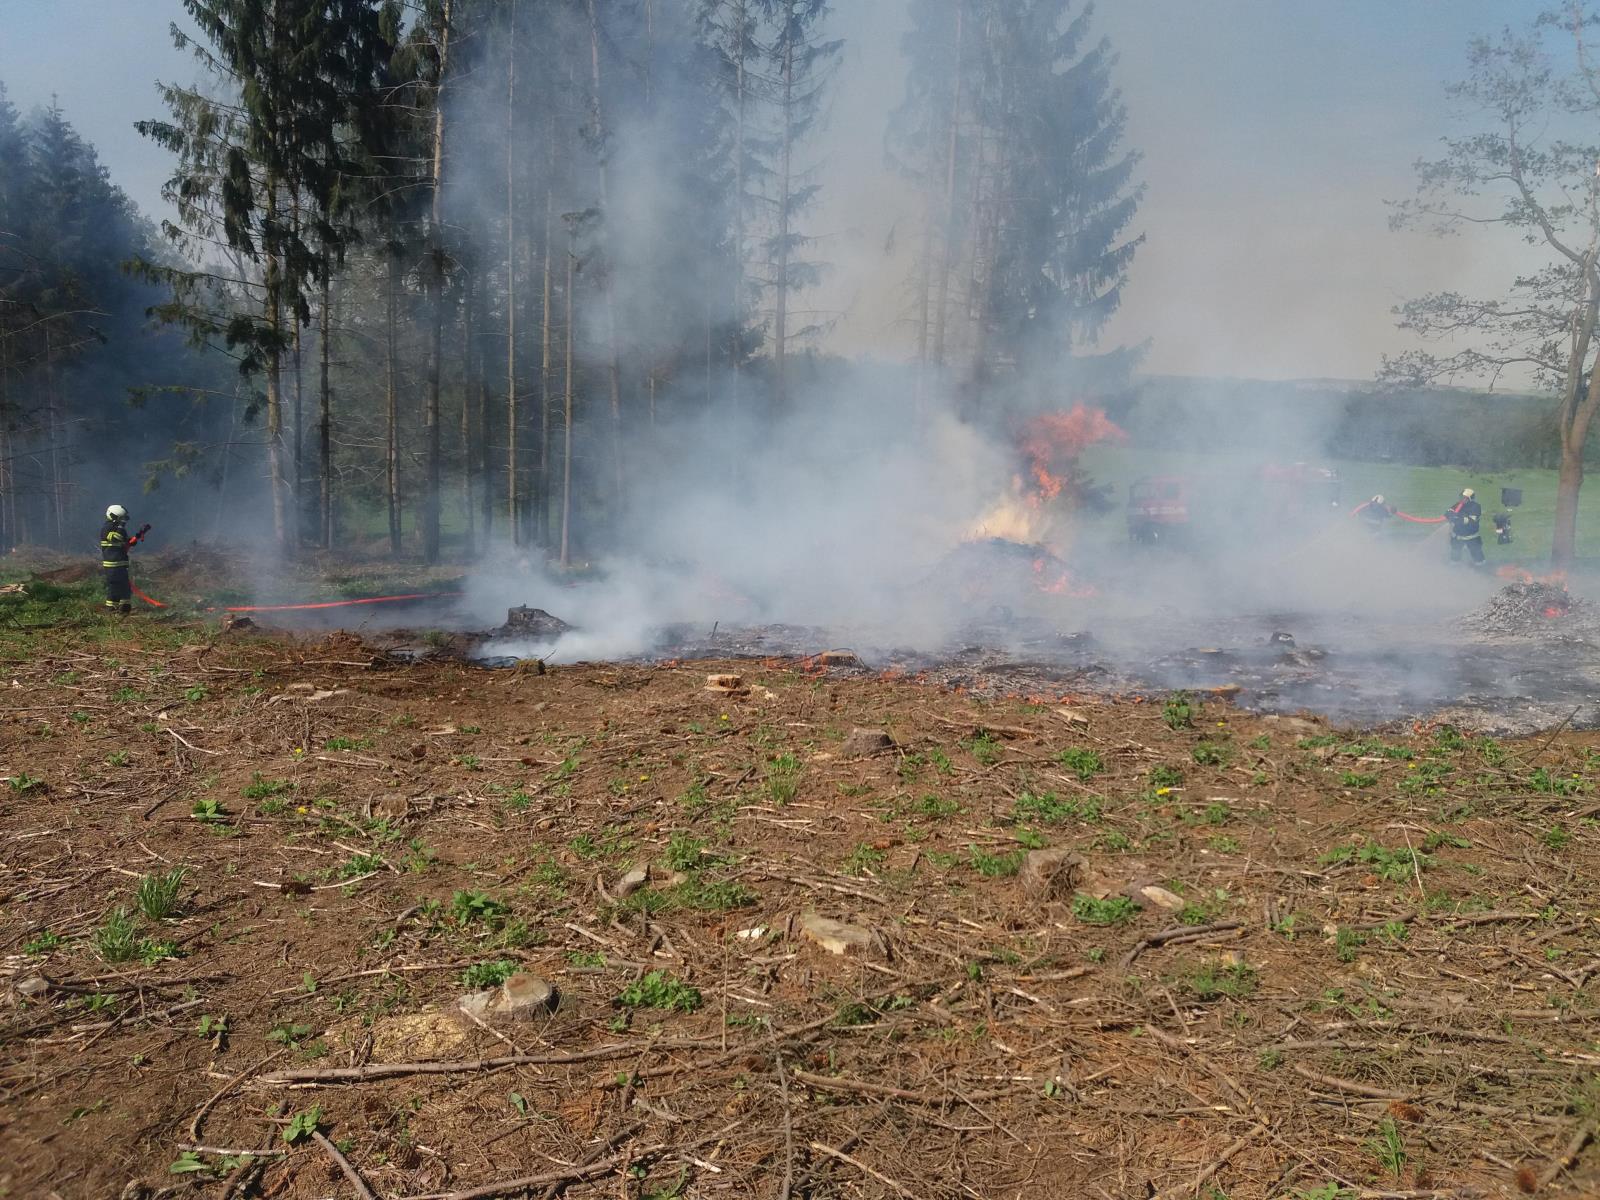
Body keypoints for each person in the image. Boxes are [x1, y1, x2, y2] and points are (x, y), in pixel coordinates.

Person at [99, 504, 141, 614]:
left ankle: (125, 608)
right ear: (113, 517)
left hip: (120, 563)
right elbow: (115, 538)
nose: (123, 521)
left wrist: (131, 540)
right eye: (121, 519)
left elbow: (122, 541)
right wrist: (121, 526)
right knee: (115, 587)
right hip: (112, 565)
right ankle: (111, 609)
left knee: (125, 586)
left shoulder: (117, 528)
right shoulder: (107, 528)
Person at [1446, 488, 1484, 565]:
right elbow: (1448, 512)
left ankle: (1481, 567)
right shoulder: (1457, 505)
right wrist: (1450, 514)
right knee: (1455, 553)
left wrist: (1457, 518)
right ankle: (1454, 568)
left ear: (1470, 499)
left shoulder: (1476, 507)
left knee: (1477, 554)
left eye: (1464, 498)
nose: (1462, 499)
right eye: (1461, 497)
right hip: (1458, 536)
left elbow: (1471, 520)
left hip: (1471, 536)